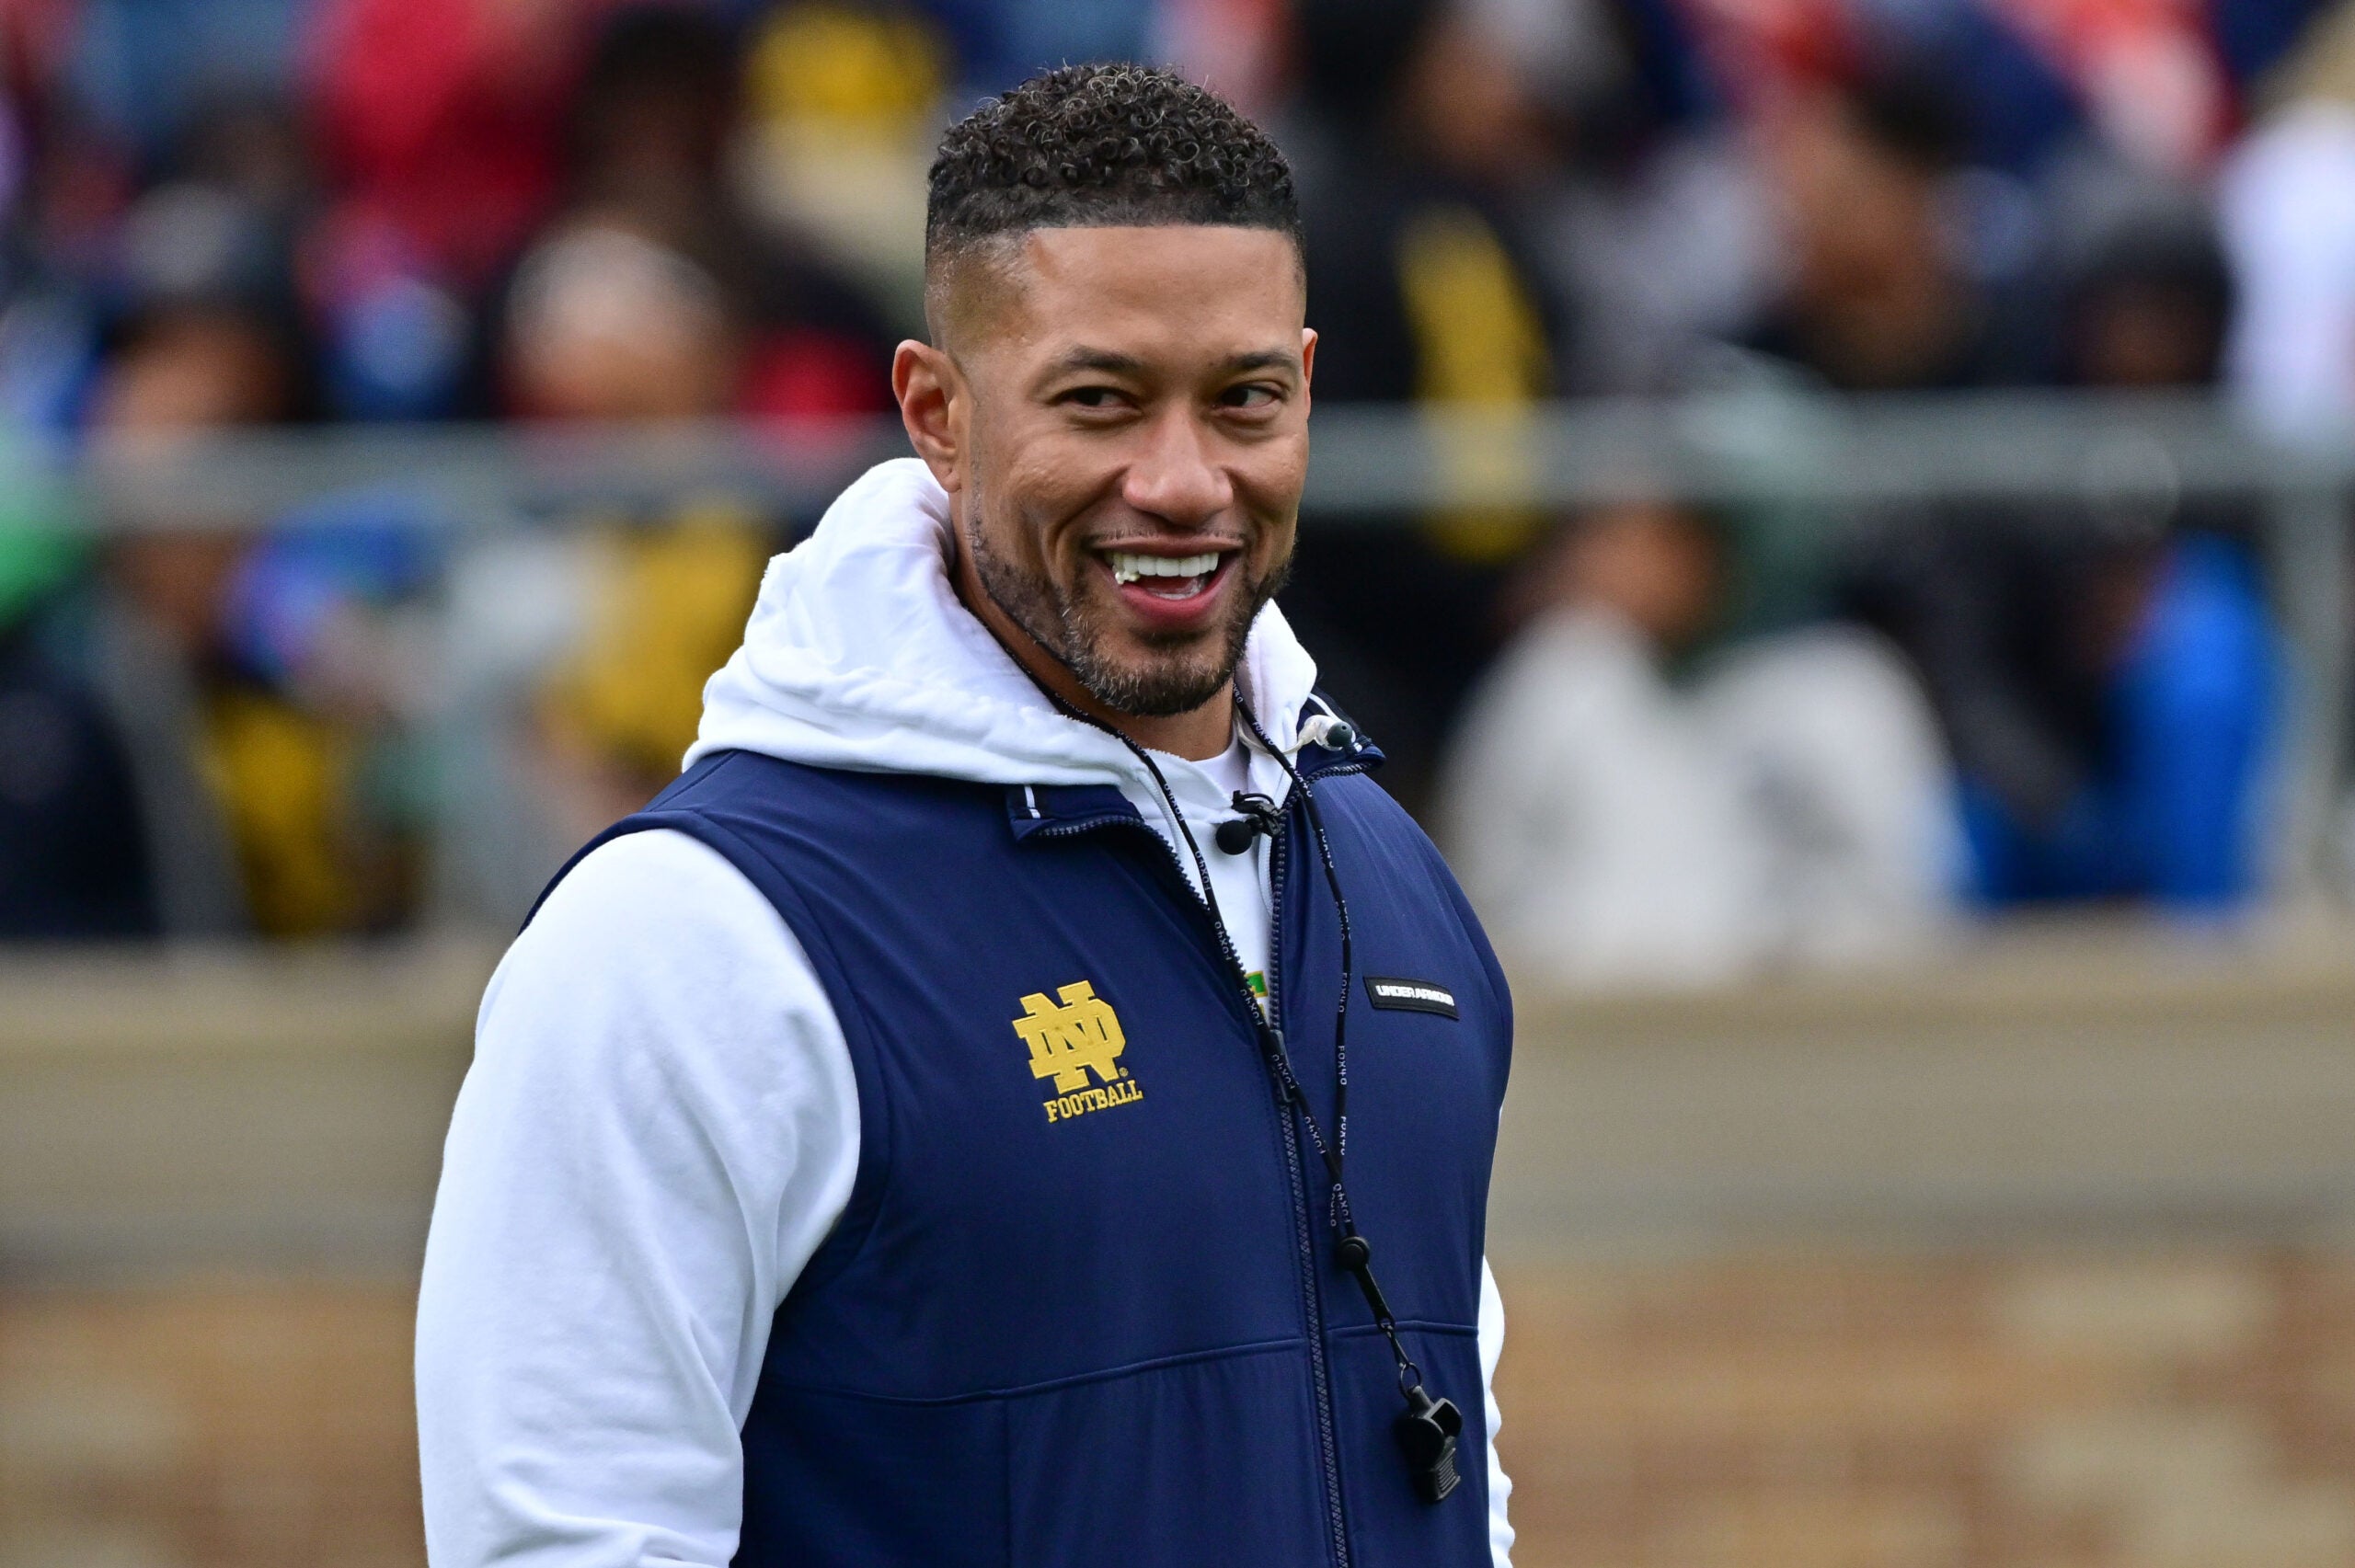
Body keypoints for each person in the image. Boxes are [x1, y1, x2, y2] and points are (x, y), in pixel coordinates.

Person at [417, 63, 1516, 1568]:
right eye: (1100, 399)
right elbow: (560, 1539)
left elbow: (1457, 1469)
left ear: (1308, 388)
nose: (1184, 480)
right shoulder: (684, 937)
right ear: (936, 411)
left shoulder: (1386, 872)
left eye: (1243, 398)